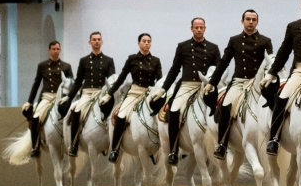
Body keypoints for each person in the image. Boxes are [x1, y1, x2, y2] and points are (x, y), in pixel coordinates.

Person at [206, 10, 273, 160]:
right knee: (224, 105)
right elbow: (224, 62)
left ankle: (275, 139)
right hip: (239, 82)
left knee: (274, 104)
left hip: (258, 82)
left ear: (257, 22)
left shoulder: (265, 41)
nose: (251, 22)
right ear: (242, 21)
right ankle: (222, 143)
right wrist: (212, 82)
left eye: (254, 19)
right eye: (248, 19)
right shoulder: (234, 40)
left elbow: (270, 62)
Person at [261, 3, 301, 157]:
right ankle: (274, 138)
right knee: (282, 97)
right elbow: (284, 52)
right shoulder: (293, 26)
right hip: (300, 72)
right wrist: (272, 72)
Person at [162, 17, 222, 165]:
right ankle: (173, 151)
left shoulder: (213, 48)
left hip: (206, 87)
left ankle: (221, 145)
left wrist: (213, 84)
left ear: (205, 29)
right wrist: (164, 88)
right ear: (192, 29)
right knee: (174, 109)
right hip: (187, 86)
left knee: (220, 108)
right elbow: (175, 70)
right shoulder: (183, 46)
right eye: (196, 27)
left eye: (201, 27)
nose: (199, 29)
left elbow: (219, 70)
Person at [104, 33, 162, 163]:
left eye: (149, 41)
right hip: (134, 93)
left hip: (150, 93)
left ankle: (160, 148)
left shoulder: (156, 60)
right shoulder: (132, 59)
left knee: (162, 116)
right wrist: (109, 93)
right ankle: (115, 149)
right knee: (121, 115)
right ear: (139, 43)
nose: (146, 43)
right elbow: (121, 78)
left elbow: (159, 80)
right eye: (144, 41)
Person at [61, 32, 115, 158]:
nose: (96, 41)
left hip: (101, 93)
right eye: (94, 39)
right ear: (90, 42)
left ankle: (115, 144)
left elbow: (111, 80)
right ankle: (74, 145)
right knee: (76, 111)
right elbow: (78, 81)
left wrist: (109, 94)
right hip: (87, 93)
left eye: (99, 39)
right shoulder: (84, 60)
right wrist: (69, 97)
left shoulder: (108, 60)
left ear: (102, 42)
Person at [21, 41, 73, 158]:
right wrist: (29, 101)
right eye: (53, 49)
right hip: (47, 97)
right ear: (49, 50)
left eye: (58, 49)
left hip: (61, 98)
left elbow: (72, 84)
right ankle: (35, 146)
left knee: (72, 116)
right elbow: (36, 84)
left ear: (60, 50)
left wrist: (69, 98)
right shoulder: (42, 66)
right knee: (35, 117)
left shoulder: (66, 66)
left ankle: (74, 143)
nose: (56, 51)